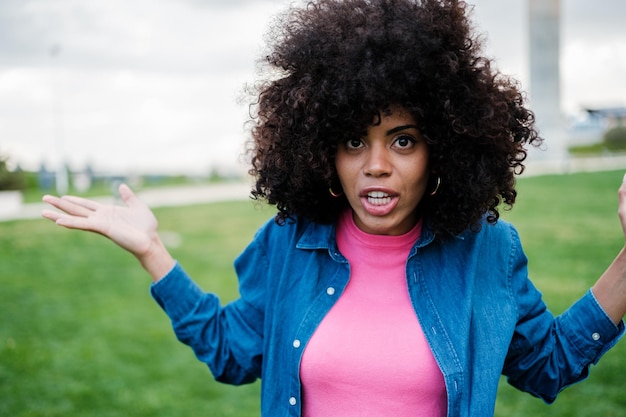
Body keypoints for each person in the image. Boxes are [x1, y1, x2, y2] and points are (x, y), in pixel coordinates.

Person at [41, 0, 626, 416]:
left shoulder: (486, 252)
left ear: (443, 146)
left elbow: (546, 363)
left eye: (403, 140)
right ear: (321, 148)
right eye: (353, 140)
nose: (375, 164)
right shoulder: (289, 242)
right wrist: (153, 252)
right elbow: (232, 352)